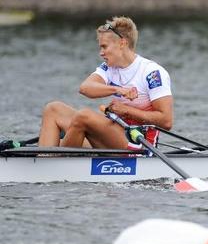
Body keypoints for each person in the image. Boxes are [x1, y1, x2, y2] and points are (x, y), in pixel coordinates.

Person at [37, 16, 173, 150]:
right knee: (53, 109)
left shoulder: (152, 73)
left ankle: (57, 162)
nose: (101, 53)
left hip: (138, 142)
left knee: (84, 116)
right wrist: (117, 90)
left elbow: (166, 121)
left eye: (104, 47)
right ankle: (44, 160)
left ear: (122, 43)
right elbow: (85, 88)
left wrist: (126, 110)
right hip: (114, 133)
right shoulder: (109, 67)